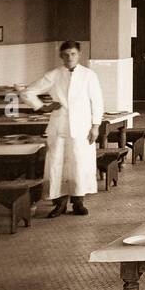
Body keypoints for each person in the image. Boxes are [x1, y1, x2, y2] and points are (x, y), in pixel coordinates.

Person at [22, 40, 103, 217]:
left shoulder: (89, 75)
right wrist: (43, 107)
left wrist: (95, 126)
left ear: (79, 55)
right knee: (56, 164)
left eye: (73, 54)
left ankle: (78, 202)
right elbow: (27, 92)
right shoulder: (54, 75)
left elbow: (97, 102)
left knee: (79, 164)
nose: (69, 58)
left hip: (82, 127)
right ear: (61, 56)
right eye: (65, 55)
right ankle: (59, 203)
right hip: (58, 127)